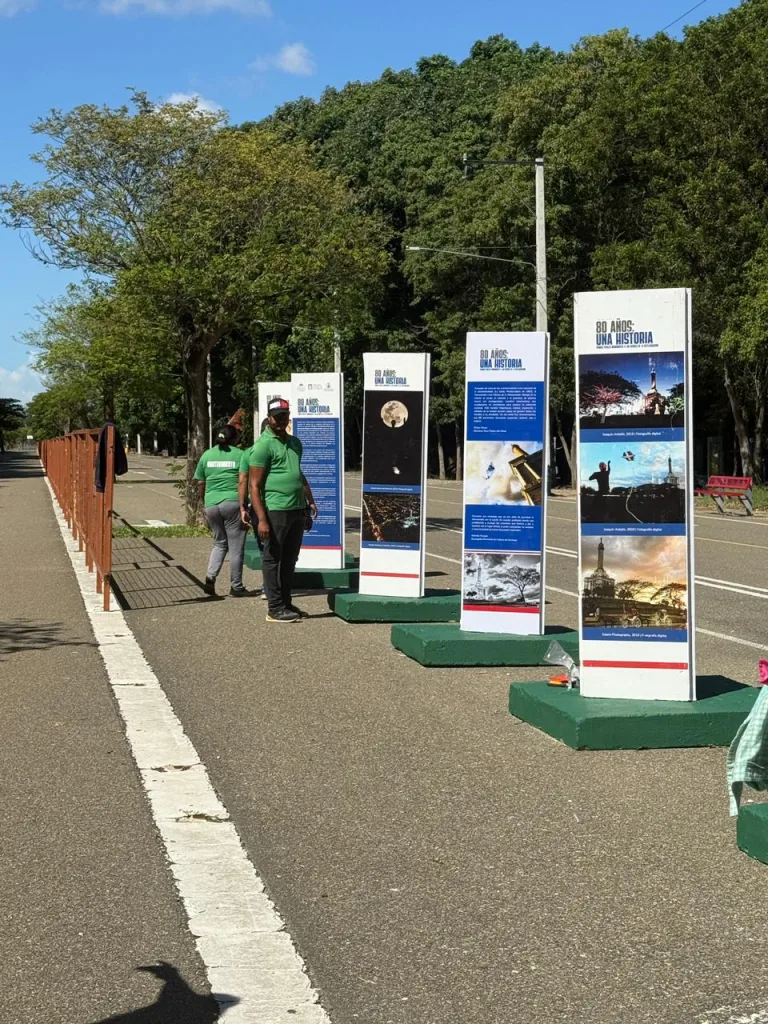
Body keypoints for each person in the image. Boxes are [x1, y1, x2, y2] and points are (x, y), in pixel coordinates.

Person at [248, 398, 317, 622]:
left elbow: (298, 474)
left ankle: (286, 603)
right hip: (275, 510)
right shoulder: (263, 446)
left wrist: (309, 503)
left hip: (296, 508)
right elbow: (254, 486)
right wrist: (262, 519)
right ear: (269, 418)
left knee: (290, 559)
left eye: (284, 416)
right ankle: (274, 607)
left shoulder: (295, 443)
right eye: (276, 416)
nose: (281, 420)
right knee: (272, 559)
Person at [194, 425, 249, 598]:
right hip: (233, 503)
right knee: (236, 548)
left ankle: (210, 579)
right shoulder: (240, 455)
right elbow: (243, 480)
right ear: (234, 439)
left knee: (219, 543)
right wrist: (243, 505)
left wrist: (205, 502)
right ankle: (236, 586)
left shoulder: (207, 455)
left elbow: (200, 482)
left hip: (211, 504)